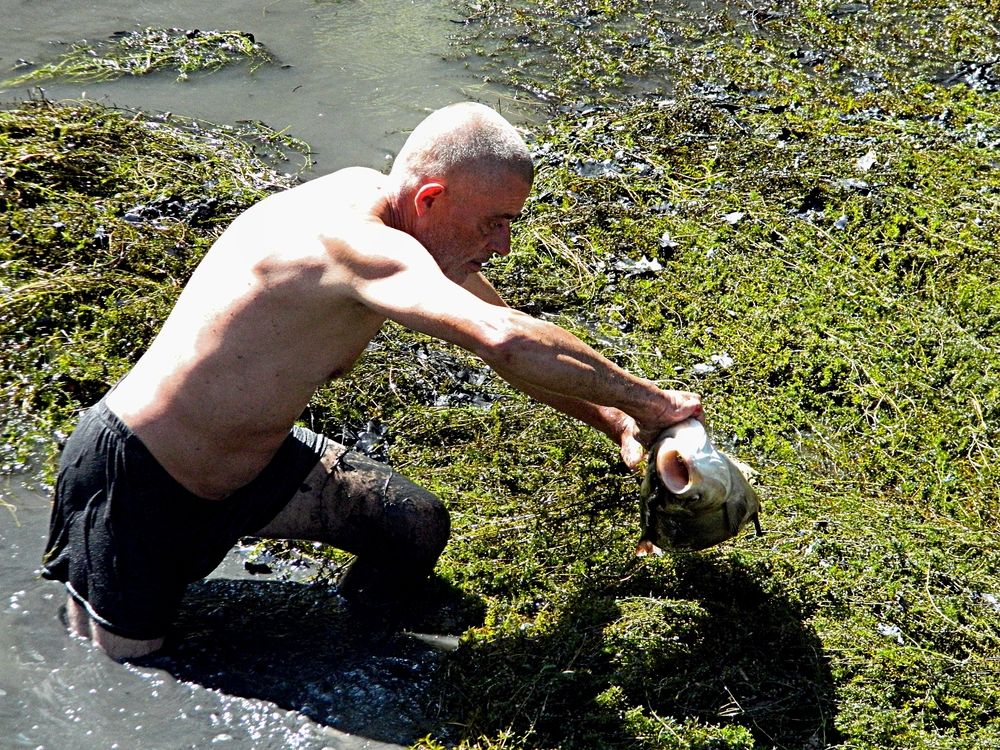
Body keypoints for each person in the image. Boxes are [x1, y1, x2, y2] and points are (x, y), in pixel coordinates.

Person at [42, 102, 702, 660]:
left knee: (410, 525)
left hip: (259, 467)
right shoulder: (354, 242)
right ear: (432, 199)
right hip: (136, 481)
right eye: (493, 223)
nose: (502, 245)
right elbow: (504, 341)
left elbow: (504, 327)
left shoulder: (407, 225)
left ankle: (347, 647)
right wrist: (658, 404)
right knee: (126, 675)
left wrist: (617, 421)